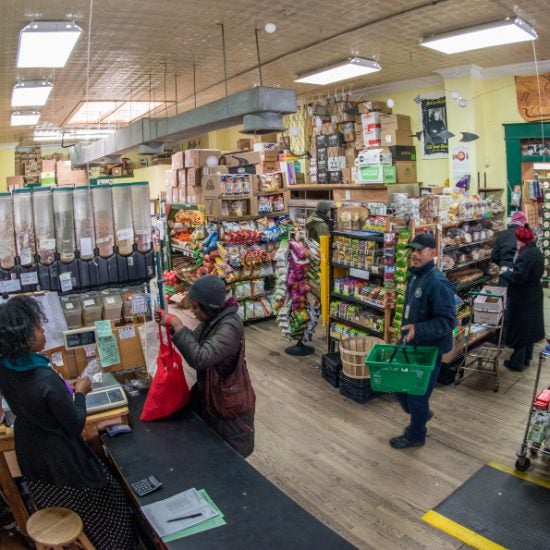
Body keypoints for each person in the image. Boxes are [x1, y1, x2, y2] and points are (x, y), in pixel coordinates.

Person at [0, 296, 136, 549]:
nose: (43, 332)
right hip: (61, 460)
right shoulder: (44, 378)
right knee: (112, 497)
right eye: (38, 327)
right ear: (25, 336)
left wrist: (63, 392)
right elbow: (74, 424)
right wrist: (81, 392)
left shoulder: (6, 367)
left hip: (31, 457)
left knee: (58, 502)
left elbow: (36, 401)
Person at [156, 275, 255, 457]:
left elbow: (201, 357)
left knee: (229, 459)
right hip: (213, 397)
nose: (193, 311)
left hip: (228, 406)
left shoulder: (230, 326)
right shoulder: (212, 320)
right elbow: (194, 341)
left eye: (195, 307)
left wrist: (178, 324)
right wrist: (171, 326)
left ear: (209, 307)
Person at [391, 234, 456, 449]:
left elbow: (447, 322)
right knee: (401, 388)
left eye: (420, 250)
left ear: (433, 253)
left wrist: (418, 329)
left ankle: (416, 435)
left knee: (417, 395)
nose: (415, 254)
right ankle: (422, 413)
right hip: (414, 344)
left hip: (430, 349)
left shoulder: (437, 283)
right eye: (413, 250)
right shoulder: (416, 276)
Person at [500, 224, 545, 371]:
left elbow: (517, 278)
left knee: (521, 329)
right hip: (533, 295)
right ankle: (526, 358)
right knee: (529, 329)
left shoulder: (525, 255)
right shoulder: (536, 252)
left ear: (520, 240)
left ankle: (516, 362)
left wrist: (505, 272)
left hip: (523, 298)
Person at [491, 210, 527, 284]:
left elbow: (494, 256)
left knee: (504, 294)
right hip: (519, 272)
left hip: (504, 272)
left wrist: (503, 264)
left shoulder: (502, 235)